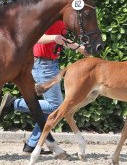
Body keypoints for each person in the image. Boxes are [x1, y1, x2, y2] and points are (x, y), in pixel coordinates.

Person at [0, 20, 89, 154]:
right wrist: (54, 38)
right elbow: (35, 37)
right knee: (56, 107)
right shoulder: (49, 16)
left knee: (51, 111)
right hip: (43, 64)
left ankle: (31, 145)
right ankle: (13, 103)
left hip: (51, 63)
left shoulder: (61, 18)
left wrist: (79, 48)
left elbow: (61, 39)